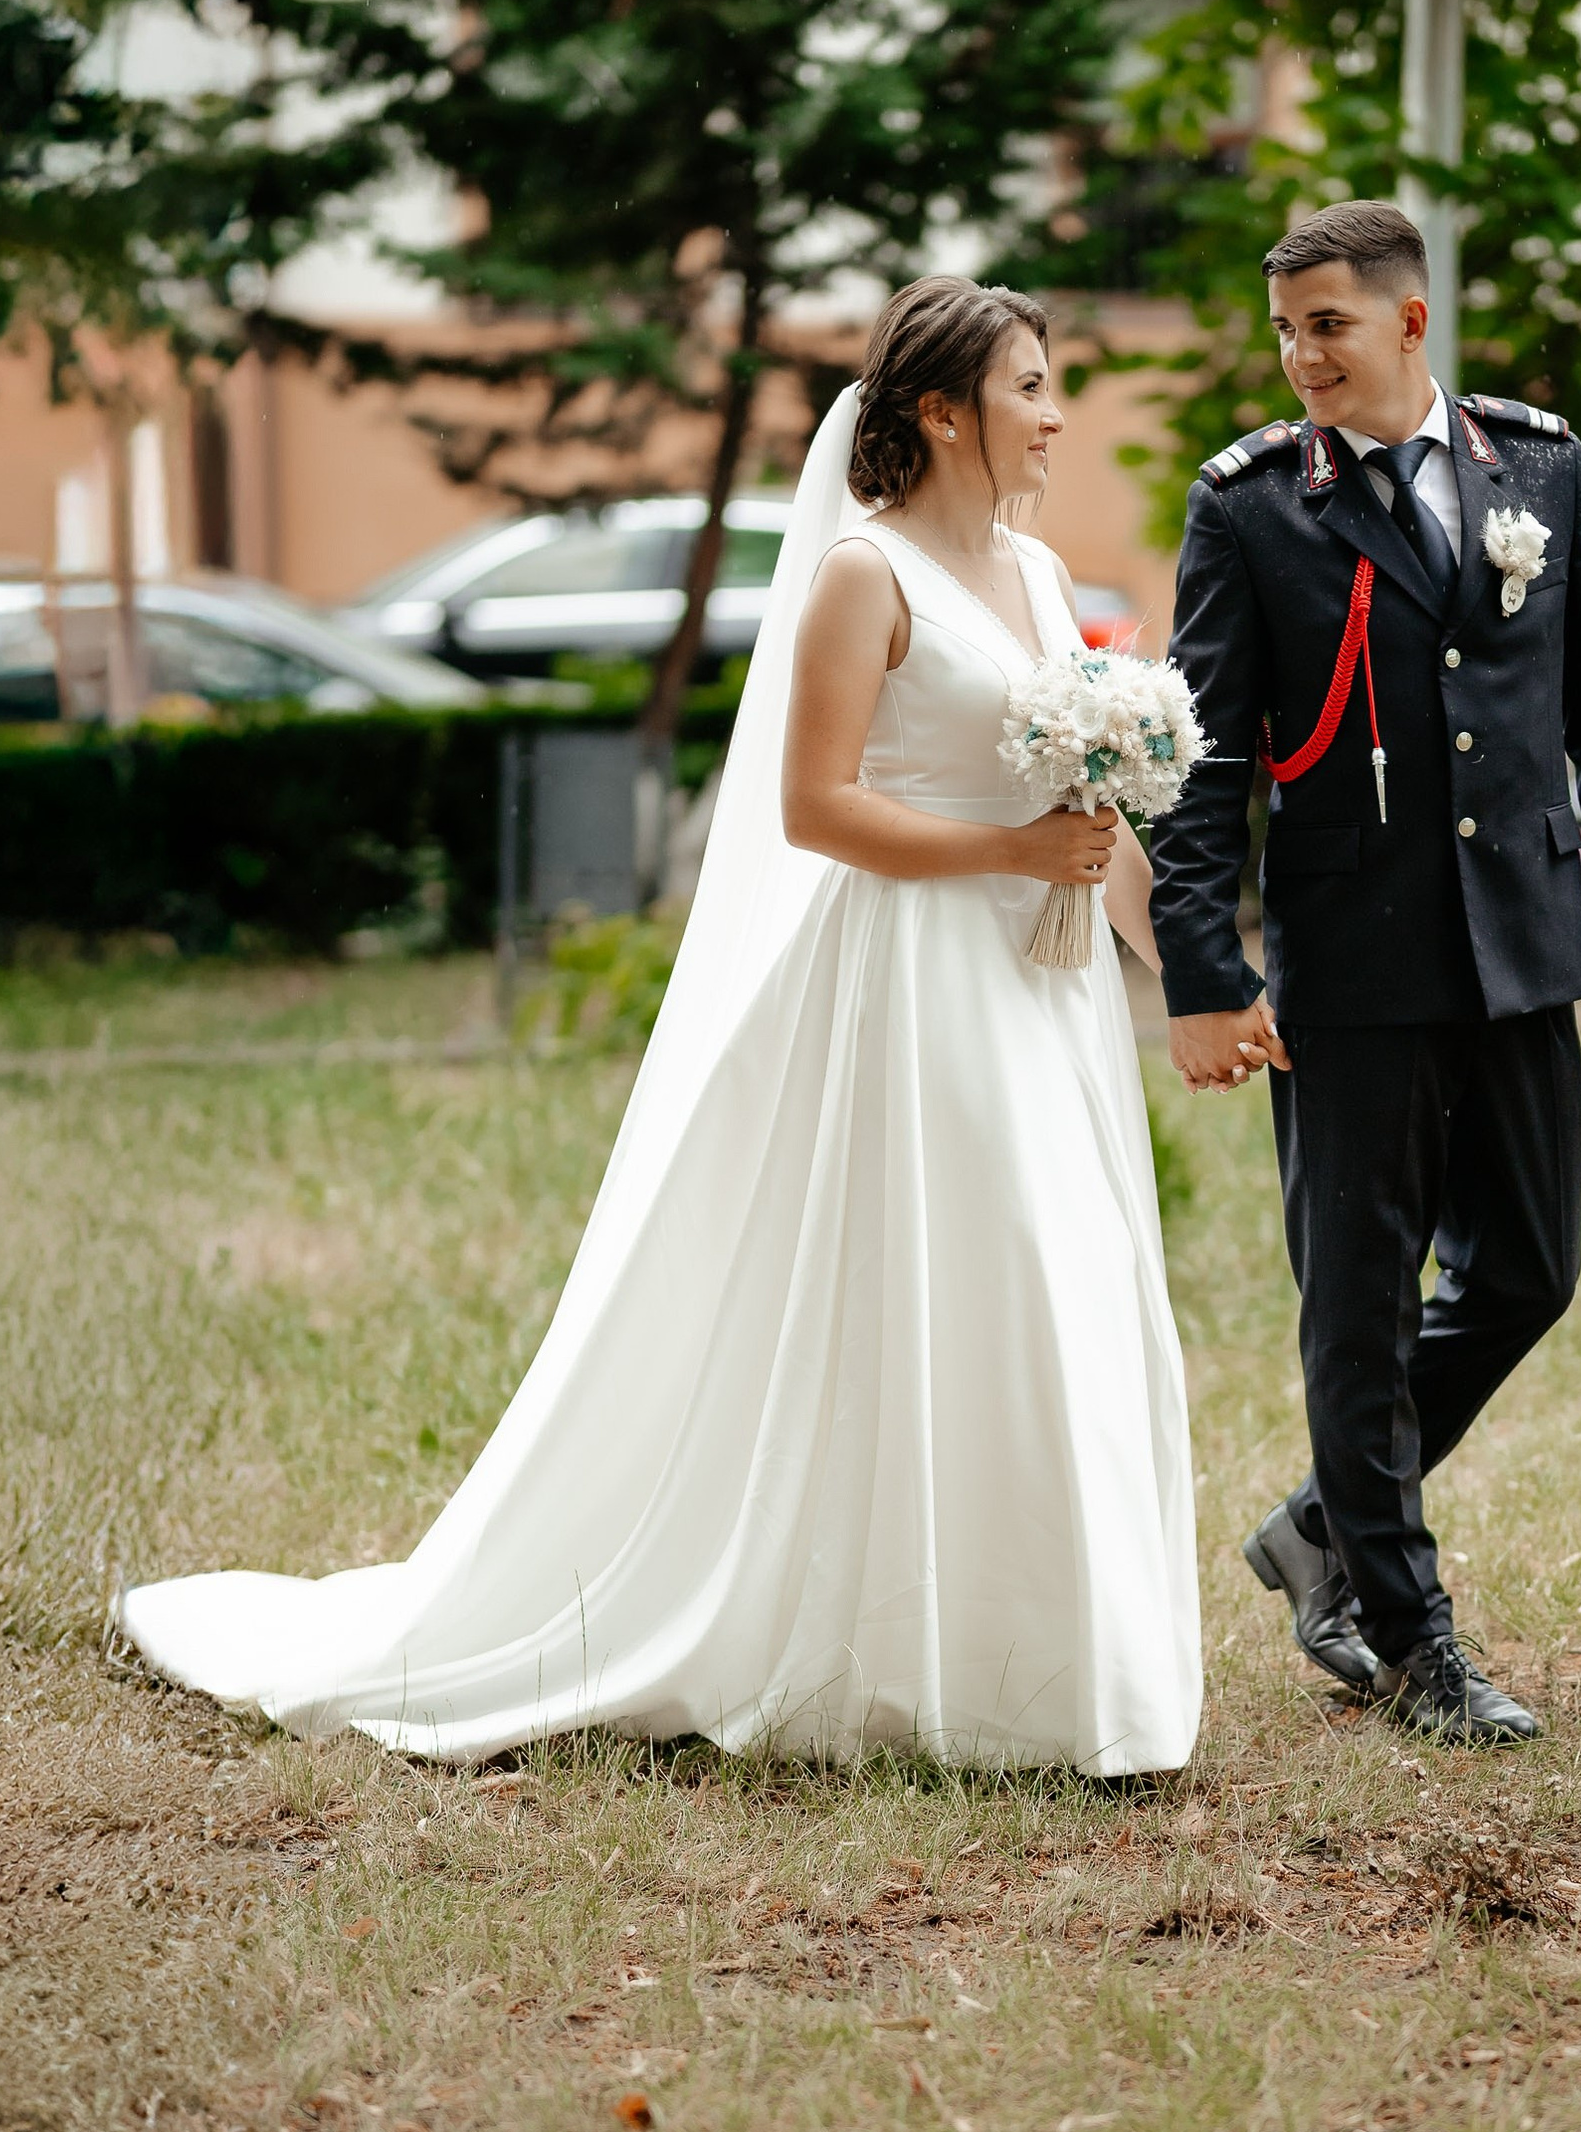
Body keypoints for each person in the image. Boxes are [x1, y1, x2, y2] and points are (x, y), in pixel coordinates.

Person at [118, 282, 1200, 1778]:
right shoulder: (863, 576)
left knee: (1056, 1279)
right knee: (946, 1272)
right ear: (945, 413)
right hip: (906, 978)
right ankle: (874, 1647)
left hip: (1042, 993)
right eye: (1029, 386)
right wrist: (1008, 855)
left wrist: (1195, 978)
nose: (1055, 414)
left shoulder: (1038, 572)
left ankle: (1045, 1666)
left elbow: (1089, 814)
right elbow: (816, 807)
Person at [1149, 200, 1581, 1747]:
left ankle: (1320, 1526)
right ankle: (1409, 1638)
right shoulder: (1253, 506)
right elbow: (1205, 764)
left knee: (1529, 1272)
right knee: (1360, 1312)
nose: (1300, 358)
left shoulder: (1541, 468)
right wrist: (1203, 968)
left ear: (1409, 320)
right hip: (1350, 966)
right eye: (1284, 332)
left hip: (1520, 944)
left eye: (1326, 325)